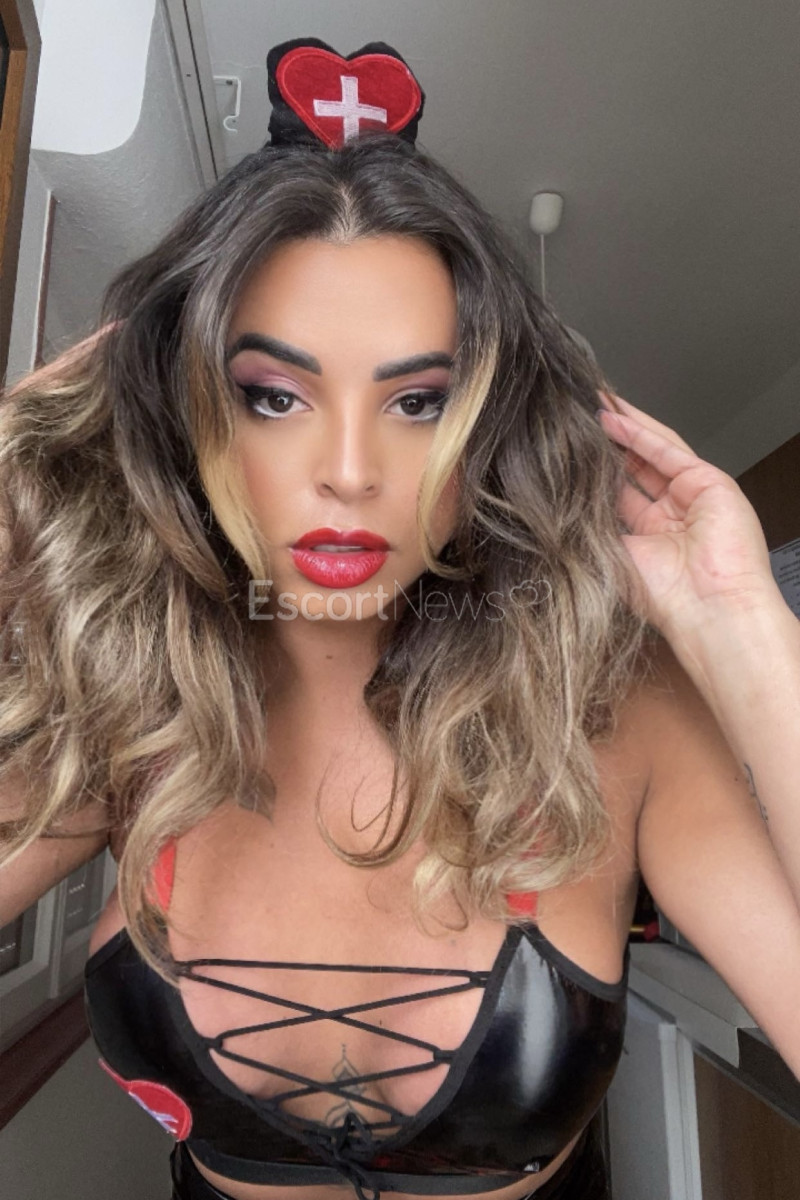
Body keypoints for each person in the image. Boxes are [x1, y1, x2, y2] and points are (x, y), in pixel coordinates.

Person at [2, 36, 800, 1200]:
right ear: (184, 416)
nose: (348, 469)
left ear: (486, 430)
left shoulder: (616, 716)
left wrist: (742, 629)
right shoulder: (132, 709)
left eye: (418, 401)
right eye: (273, 395)